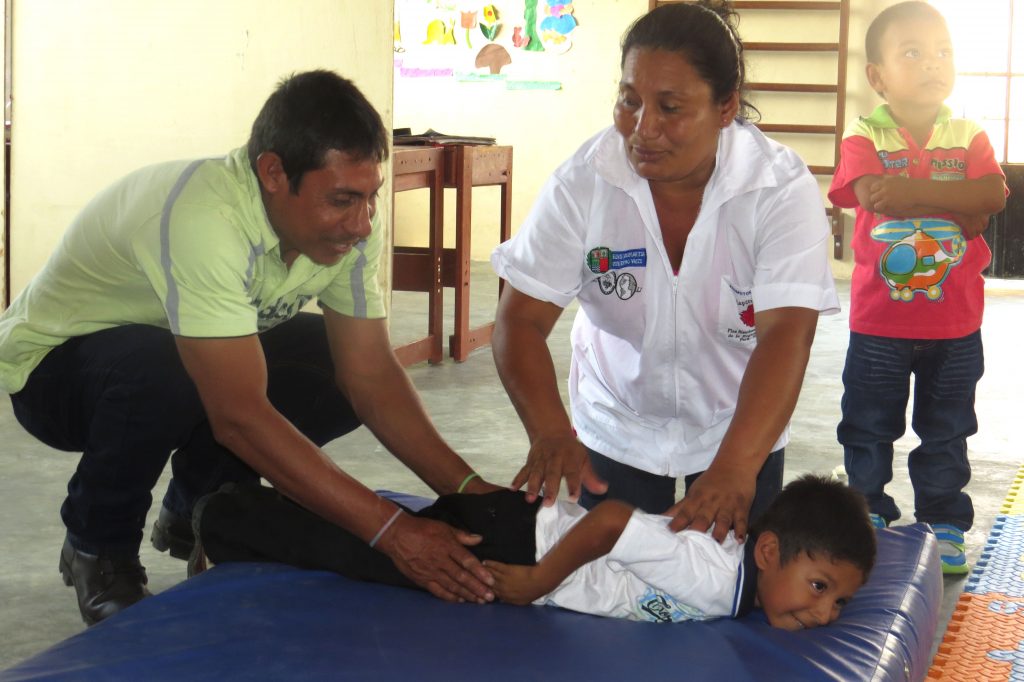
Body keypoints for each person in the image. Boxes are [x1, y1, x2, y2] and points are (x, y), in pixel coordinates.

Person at [0, 70, 498, 625]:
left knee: (328, 364)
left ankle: (200, 508)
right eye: (341, 200)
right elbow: (238, 415)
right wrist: (394, 532)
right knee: (166, 369)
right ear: (273, 173)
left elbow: (371, 376)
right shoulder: (205, 217)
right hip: (57, 374)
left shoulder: (351, 226)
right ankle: (98, 546)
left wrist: (469, 493)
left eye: (370, 197)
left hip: (179, 363)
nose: (361, 224)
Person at [489, 0, 839, 543]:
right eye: (629, 100)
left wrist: (736, 466)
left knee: (734, 581)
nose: (643, 129)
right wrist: (551, 432)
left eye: (670, 108)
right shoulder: (585, 181)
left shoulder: (777, 188)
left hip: (739, 424)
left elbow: (787, 335)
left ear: (726, 106)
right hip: (616, 420)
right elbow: (519, 320)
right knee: (608, 577)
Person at [193, 474, 876, 629]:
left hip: (527, 528)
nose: (825, 614)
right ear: (769, 552)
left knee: (376, 546)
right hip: (520, 543)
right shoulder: (714, 579)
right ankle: (227, 516)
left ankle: (249, 507)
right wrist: (539, 580)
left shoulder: (739, 577)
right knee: (367, 558)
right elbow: (613, 521)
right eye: (819, 587)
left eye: (840, 602)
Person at [827, 2, 1007, 575]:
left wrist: (913, 193)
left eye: (943, 52)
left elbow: (993, 196)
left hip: (957, 324)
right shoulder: (864, 134)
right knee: (867, 424)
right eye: (912, 52)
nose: (933, 63)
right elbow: (874, 195)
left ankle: (943, 521)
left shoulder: (969, 133)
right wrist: (959, 204)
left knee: (948, 428)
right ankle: (866, 510)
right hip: (879, 322)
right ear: (876, 76)